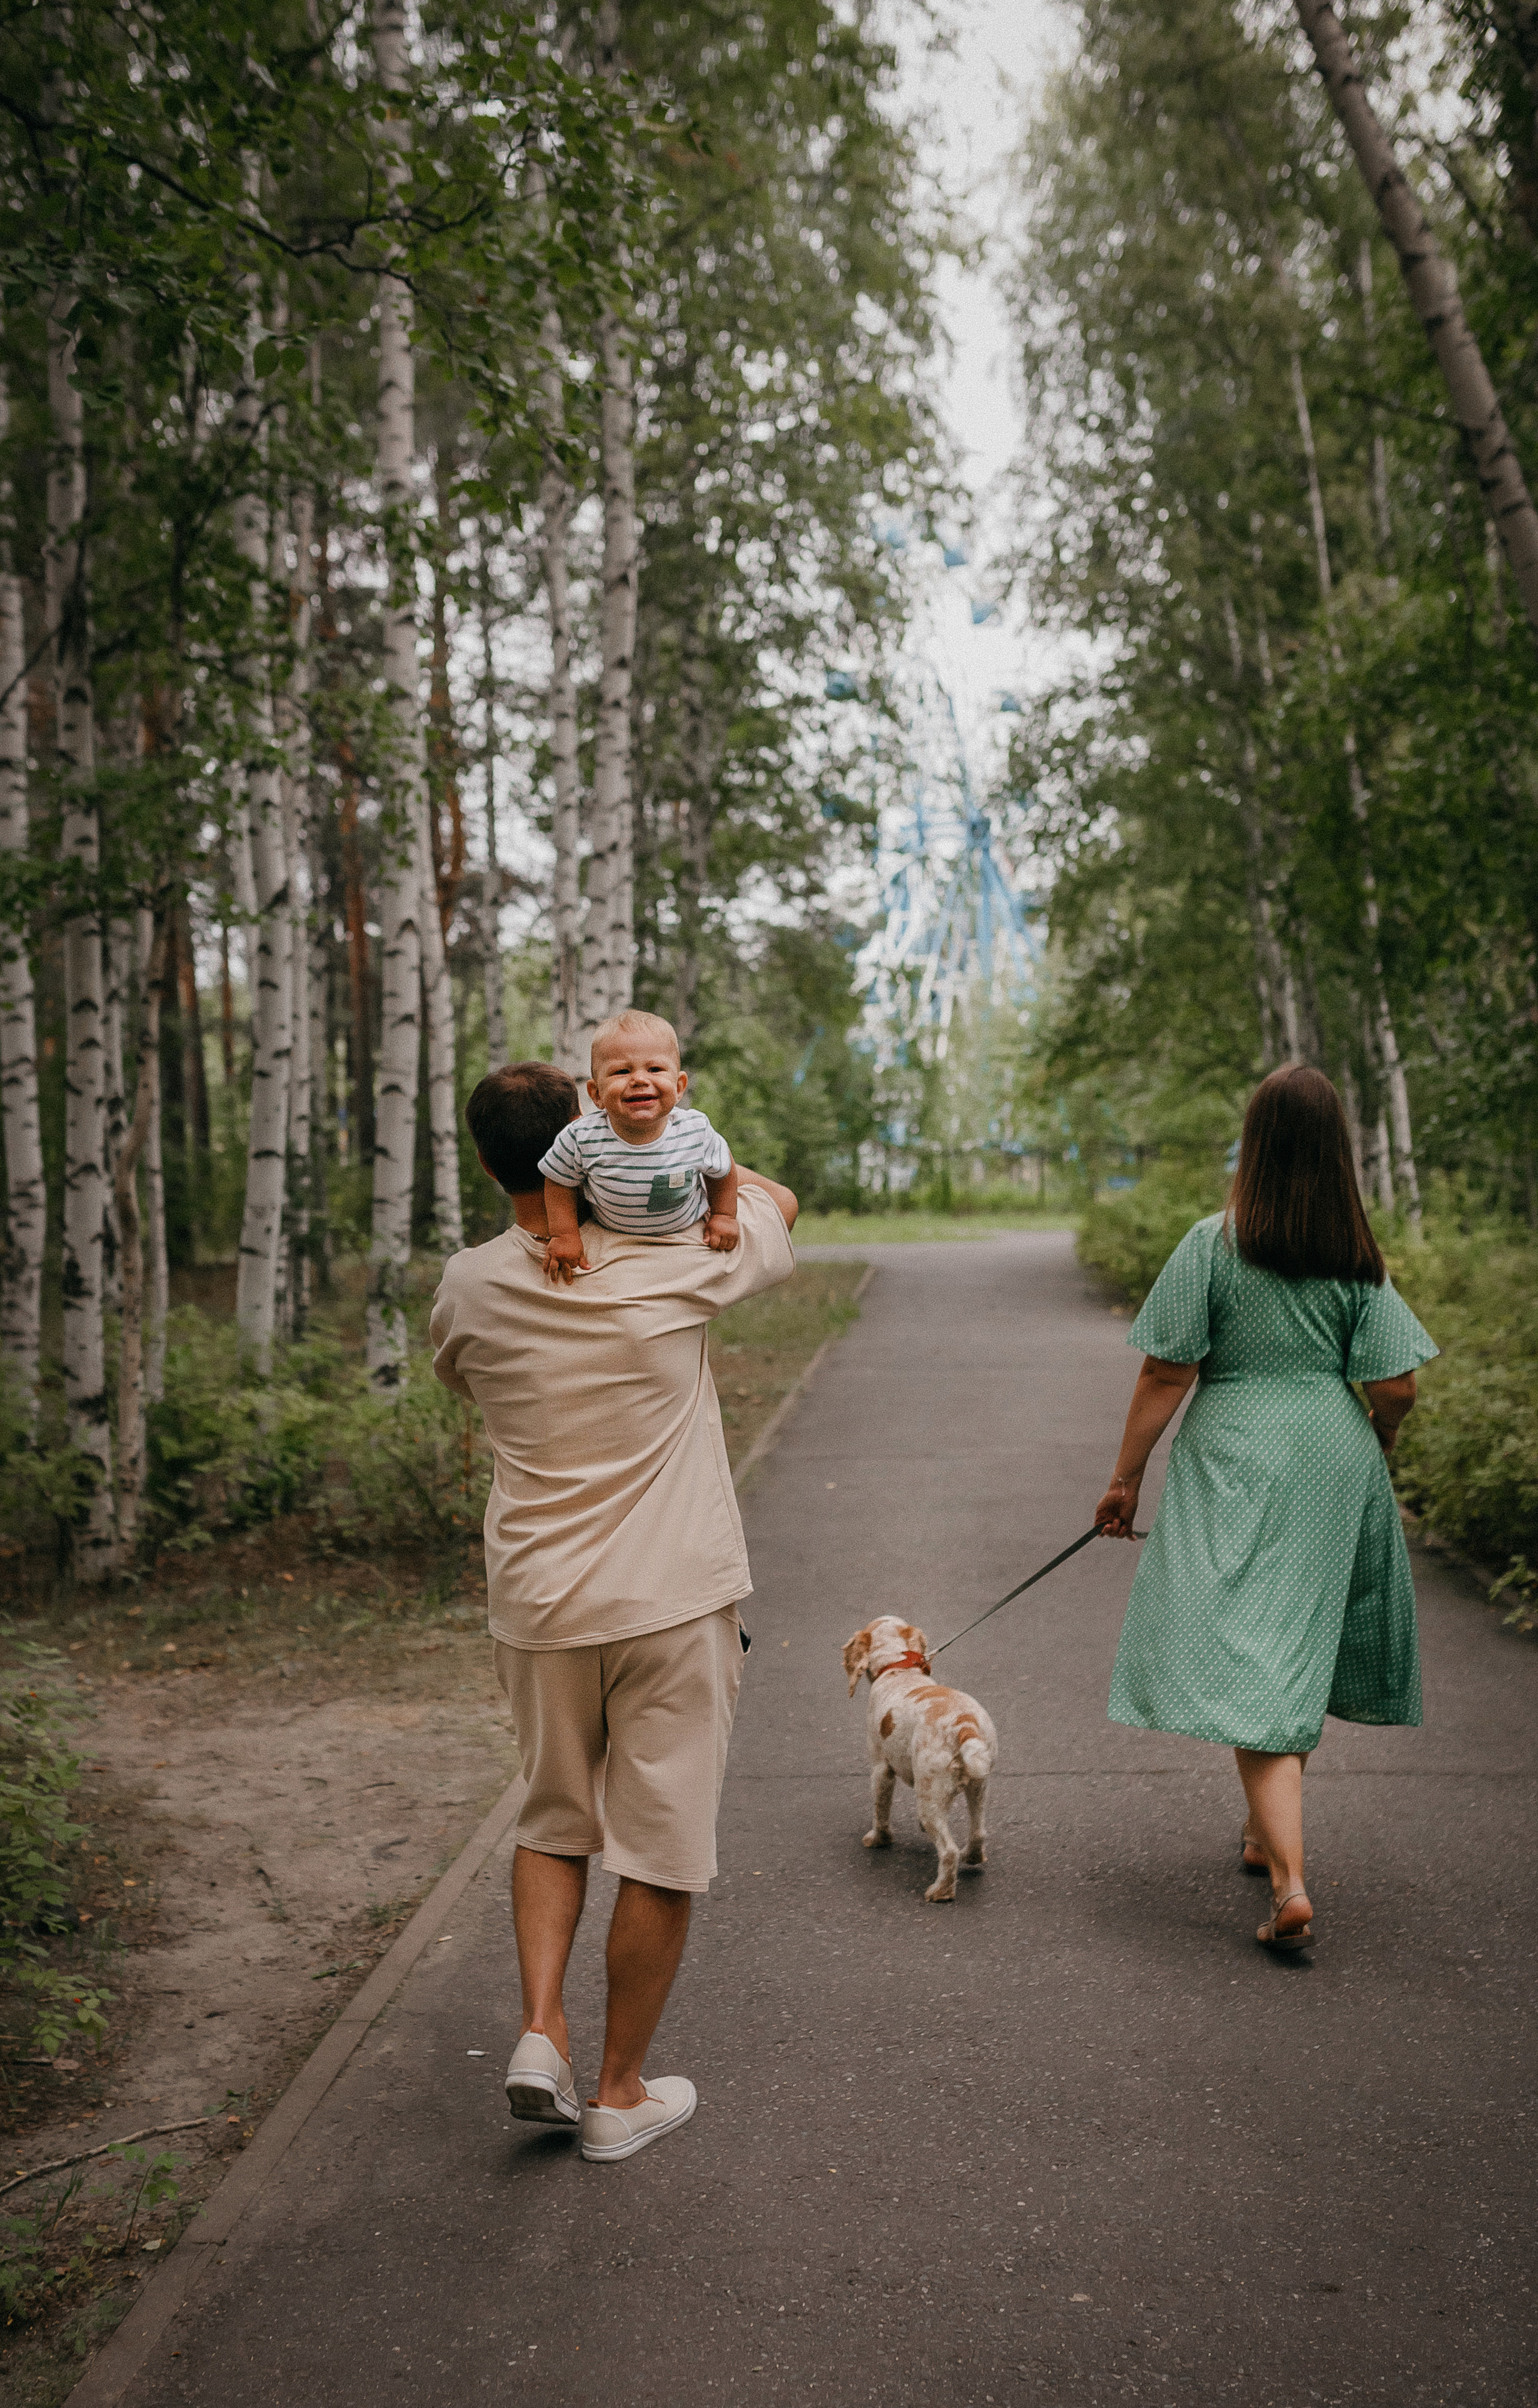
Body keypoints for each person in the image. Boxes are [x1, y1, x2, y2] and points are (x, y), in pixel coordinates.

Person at [430, 1058, 796, 2162]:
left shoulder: (467, 1284)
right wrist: (667, 1138)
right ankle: (619, 2094)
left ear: (488, 1163)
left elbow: (463, 1379)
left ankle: (540, 2030)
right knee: (662, 1847)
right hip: (673, 1597)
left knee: (551, 1820)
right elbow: (776, 1201)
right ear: (580, 1143)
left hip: (540, 1601)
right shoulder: (677, 1265)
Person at [1093, 1065, 1437, 1952]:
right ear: (1336, 1152)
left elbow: (1168, 1367)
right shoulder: (1355, 1254)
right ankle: (1260, 1832)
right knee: (1291, 1637)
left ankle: (1290, 1879)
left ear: (1256, 1142)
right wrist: (1380, 1437)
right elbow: (1394, 1383)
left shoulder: (1214, 1242)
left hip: (1237, 1451)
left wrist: (1125, 1476)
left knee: (1253, 1652)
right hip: (1333, 1451)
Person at [538, 1008, 739, 1282]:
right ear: (596, 1094)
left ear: (679, 1087)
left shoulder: (696, 1131)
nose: (640, 1080)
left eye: (655, 1069)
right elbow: (559, 1181)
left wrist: (725, 1215)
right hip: (612, 1238)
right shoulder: (581, 1137)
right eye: (621, 1071)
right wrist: (565, 1235)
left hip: (686, 1232)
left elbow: (723, 1170)